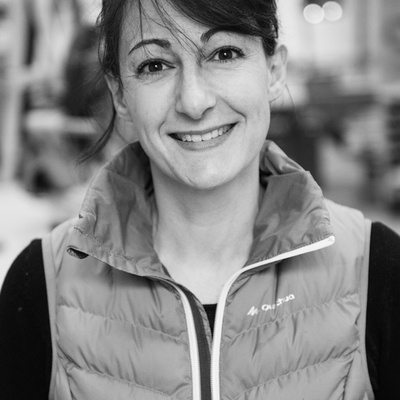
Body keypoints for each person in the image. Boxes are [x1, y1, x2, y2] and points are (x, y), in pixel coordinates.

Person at [1, 0, 400, 399]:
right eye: (154, 65)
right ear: (120, 94)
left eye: (224, 54)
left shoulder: (376, 269)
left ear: (274, 71)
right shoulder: (41, 286)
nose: (194, 102)